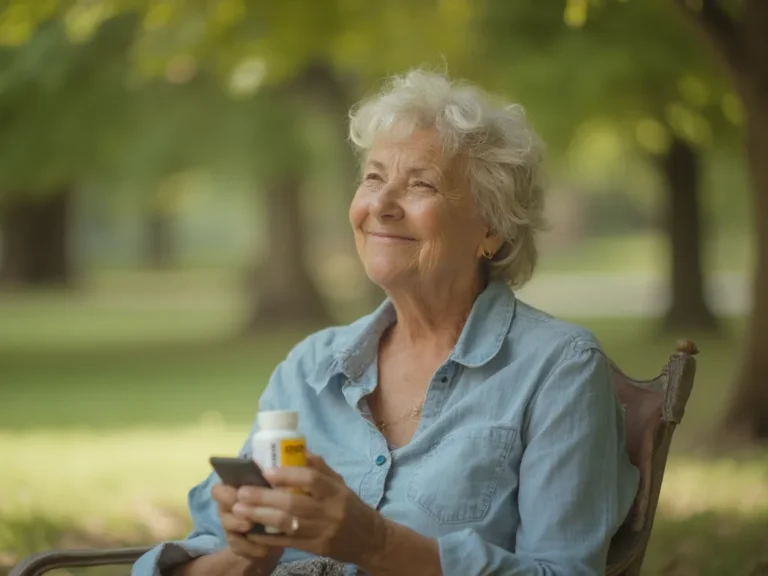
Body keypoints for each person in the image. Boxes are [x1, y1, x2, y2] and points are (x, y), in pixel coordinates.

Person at [132, 69, 639, 576]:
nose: (381, 205)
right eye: (373, 178)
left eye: (421, 184)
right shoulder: (309, 368)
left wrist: (375, 544)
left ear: (493, 229)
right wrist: (248, 557)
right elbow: (206, 548)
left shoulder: (557, 370)